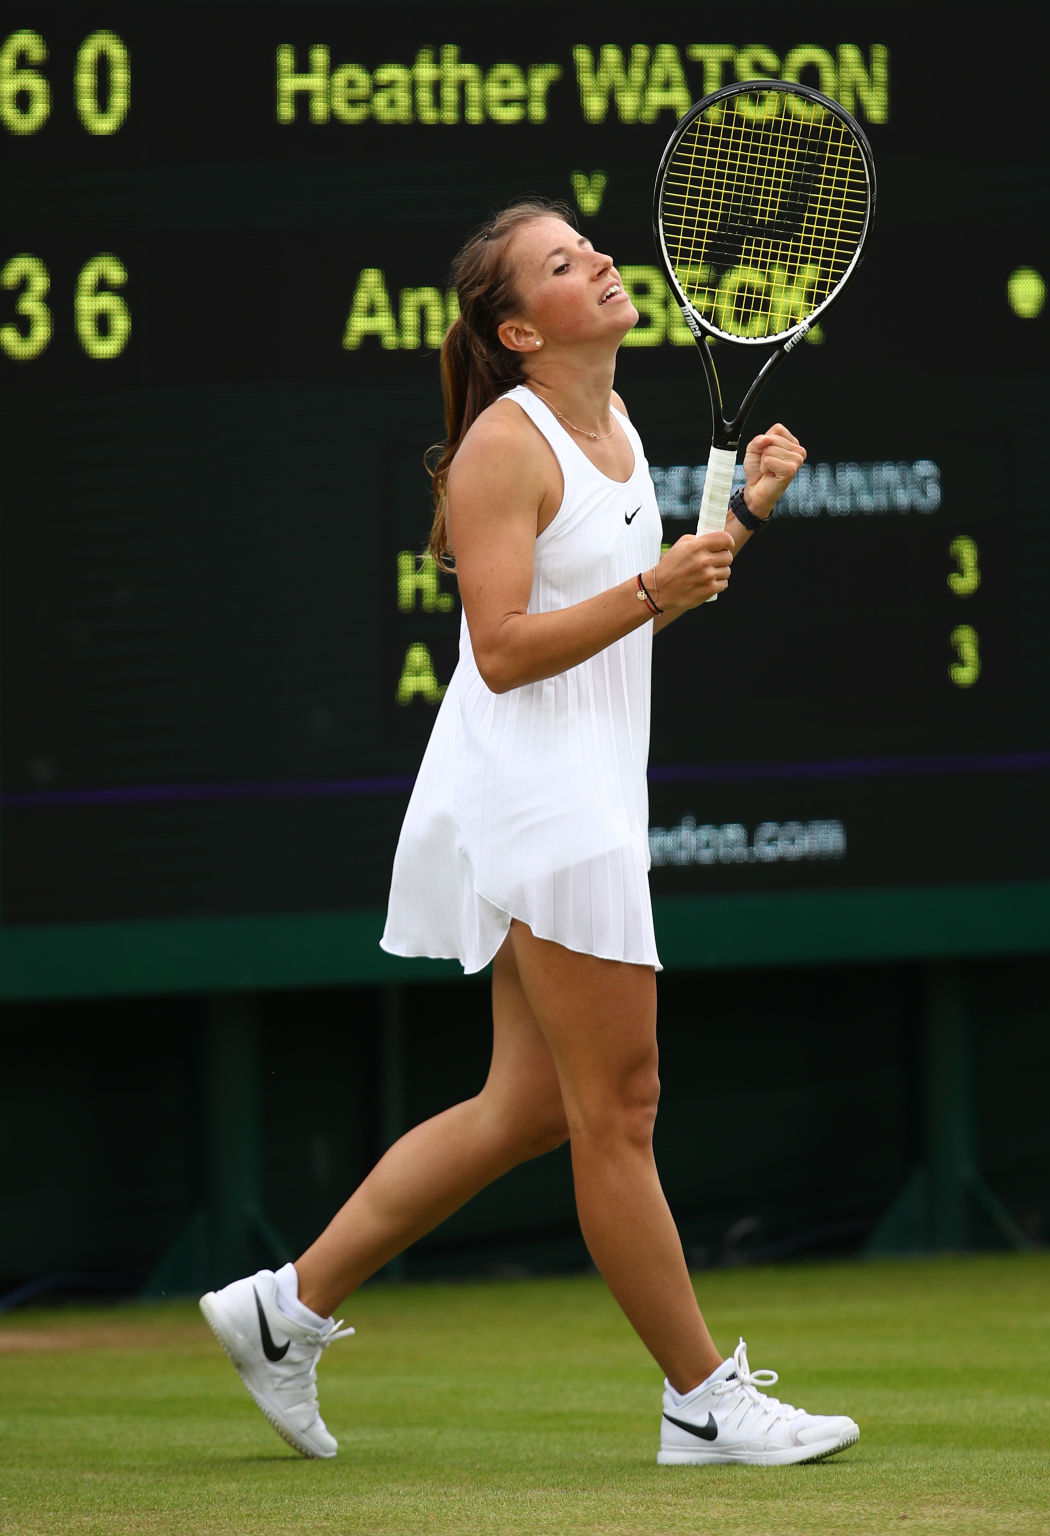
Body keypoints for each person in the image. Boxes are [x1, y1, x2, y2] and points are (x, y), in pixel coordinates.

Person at [200, 199, 860, 1468]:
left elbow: (637, 611)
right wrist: (652, 583)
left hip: (585, 784)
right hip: (537, 793)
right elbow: (501, 652)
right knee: (621, 1105)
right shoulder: (509, 441)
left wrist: (741, 521)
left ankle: (285, 1310)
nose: (601, 261)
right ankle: (701, 1400)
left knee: (528, 1106)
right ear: (518, 326)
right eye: (564, 263)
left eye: (590, 246)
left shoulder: (612, 420)